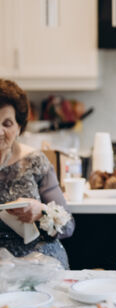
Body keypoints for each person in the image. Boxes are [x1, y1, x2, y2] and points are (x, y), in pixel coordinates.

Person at [0, 79, 74, 268]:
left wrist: (41, 212)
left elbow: (68, 225)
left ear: (19, 128)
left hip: (38, 259)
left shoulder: (34, 161)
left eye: (7, 123)